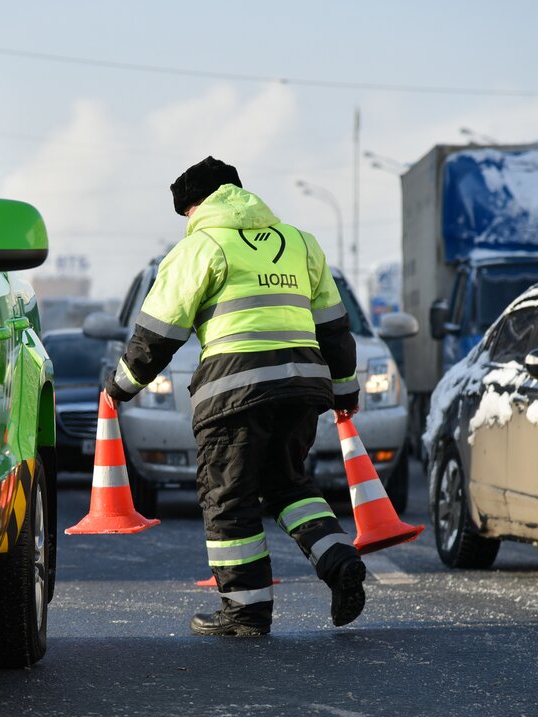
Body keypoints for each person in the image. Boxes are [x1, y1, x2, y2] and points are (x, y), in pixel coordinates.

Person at [104, 156, 363, 637]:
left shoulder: (201, 246)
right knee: (290, 485)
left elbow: (158, 333)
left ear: (194, 206)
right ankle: (339, 560)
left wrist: (120, 387)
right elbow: (334, 328)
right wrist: (344, 391)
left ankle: (245, 611)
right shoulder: (299, 242)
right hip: (303, 387)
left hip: (235, 391)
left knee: (229, 498)